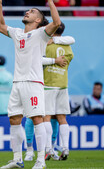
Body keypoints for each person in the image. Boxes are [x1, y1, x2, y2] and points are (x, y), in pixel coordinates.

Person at [0, 0, 61, 168]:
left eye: (32, 11)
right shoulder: (17, 33)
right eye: (28, 10)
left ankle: (40, 160)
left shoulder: (41, 34)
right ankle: (17, 160)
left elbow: (56, 23)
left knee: (37, 119)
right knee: (14, 119)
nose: (27, 12)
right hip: (17, 83)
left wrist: (50, 0)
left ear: (38, 20)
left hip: (33, 83)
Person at [24, 29, 75, 162]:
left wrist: (52, 59)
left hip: (46, 85)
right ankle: (65, 148)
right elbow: (71, 43)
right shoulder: (68, 47)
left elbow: (35, 60)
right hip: (63, 85)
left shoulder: (45, 44)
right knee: (61, 118)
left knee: (44, 117)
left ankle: (48, 149)